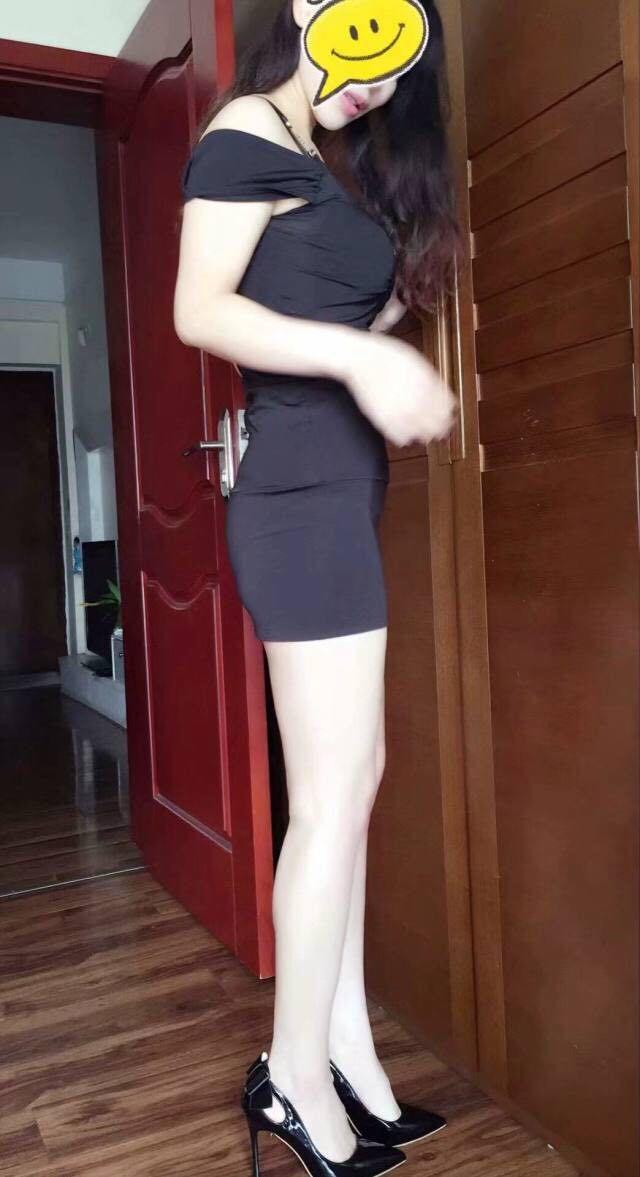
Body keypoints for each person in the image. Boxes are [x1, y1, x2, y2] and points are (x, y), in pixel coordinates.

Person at [174, 2, 461, 1173]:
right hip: (297, 501)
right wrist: (359, 353)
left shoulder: (325, 167)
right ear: (307, 10)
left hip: (339, 493)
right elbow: (199, 309)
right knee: (335, 791)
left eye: (397, 67)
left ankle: (343, 1051)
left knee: (351, 783)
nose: (372, 81)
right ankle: (292, 1077)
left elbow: (321, 306)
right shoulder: (248, 126)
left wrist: (377, 321)